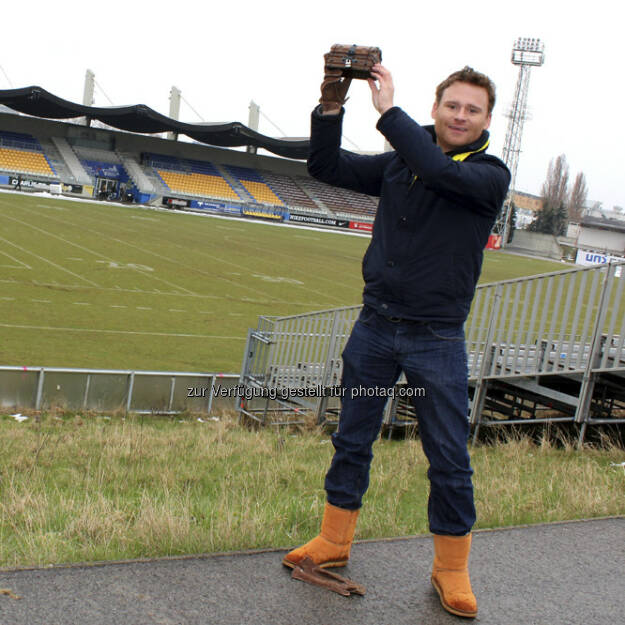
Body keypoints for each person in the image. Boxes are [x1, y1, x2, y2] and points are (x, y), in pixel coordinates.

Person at [281, 61, 510, 619]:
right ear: (435, 108)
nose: (460, 115)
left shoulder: (487, 174)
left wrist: (389, 112)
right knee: (352, 438)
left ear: (485, 120)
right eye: (451, 105)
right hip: (375, 331)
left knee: (449, 458)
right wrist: (332, 108)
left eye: (471, 109)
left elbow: (437, 171)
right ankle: (334, 542)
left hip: (436, 342)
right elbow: (326, 166)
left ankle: (450, 569)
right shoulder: (401, 162)